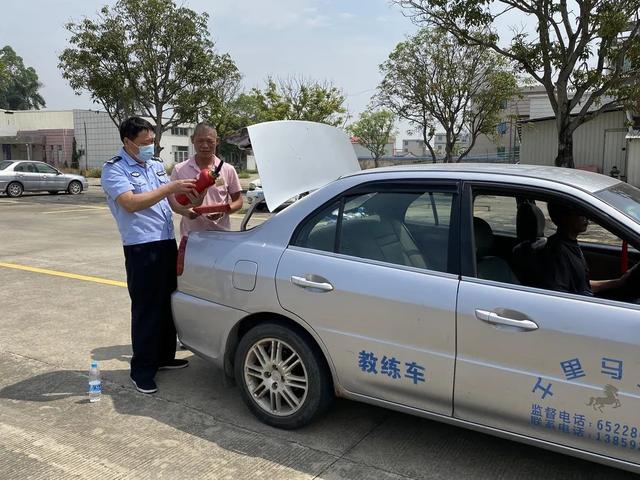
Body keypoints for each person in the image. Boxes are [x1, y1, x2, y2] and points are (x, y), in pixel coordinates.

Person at [101, 116, 198, 395]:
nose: (149, 145)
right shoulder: (114, 169)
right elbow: (131, 204)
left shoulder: (155, 165)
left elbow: (169, 203)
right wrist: (171, 187)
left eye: (152, 140)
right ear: (127, 141)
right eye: (144, 142)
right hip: (141, 247)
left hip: (166, 241)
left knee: (168, 302)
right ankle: (142, 369)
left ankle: (164, 357)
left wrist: (188, 209)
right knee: (146, 309)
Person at [169, 122, 243, 237]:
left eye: (209, 141)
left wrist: (223, 211)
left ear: (217, 141)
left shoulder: (228, 169)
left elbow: (238, 202)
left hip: (222, 236)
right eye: (200, 141)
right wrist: (186, 212)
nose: (205, 145)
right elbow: (173, 204)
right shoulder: (179, 170)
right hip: (191, 237)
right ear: (192, 139)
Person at [541, 202, 629, 297]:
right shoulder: (557, 252)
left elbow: (582, 285)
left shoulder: (569, 244)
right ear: (563, 217)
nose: (586, 217)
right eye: (580, 213)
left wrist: (618, 282)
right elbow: (559, 296)